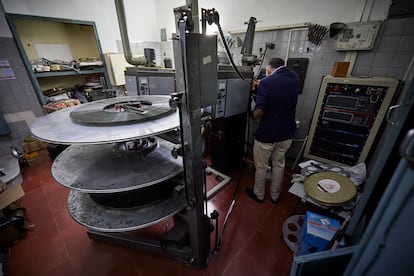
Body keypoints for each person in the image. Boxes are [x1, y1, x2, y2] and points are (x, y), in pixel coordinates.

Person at [246, 57, 299, 203]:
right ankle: (275, 196)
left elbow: (259, 113)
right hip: (286, 133)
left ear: (269, 70)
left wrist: (252, 113)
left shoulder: (267, 82)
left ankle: (259, 194)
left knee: (261, 167)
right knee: (279, 165)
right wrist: (261, 85)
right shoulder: (295, 78)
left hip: (268, 134)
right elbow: (279, 93)